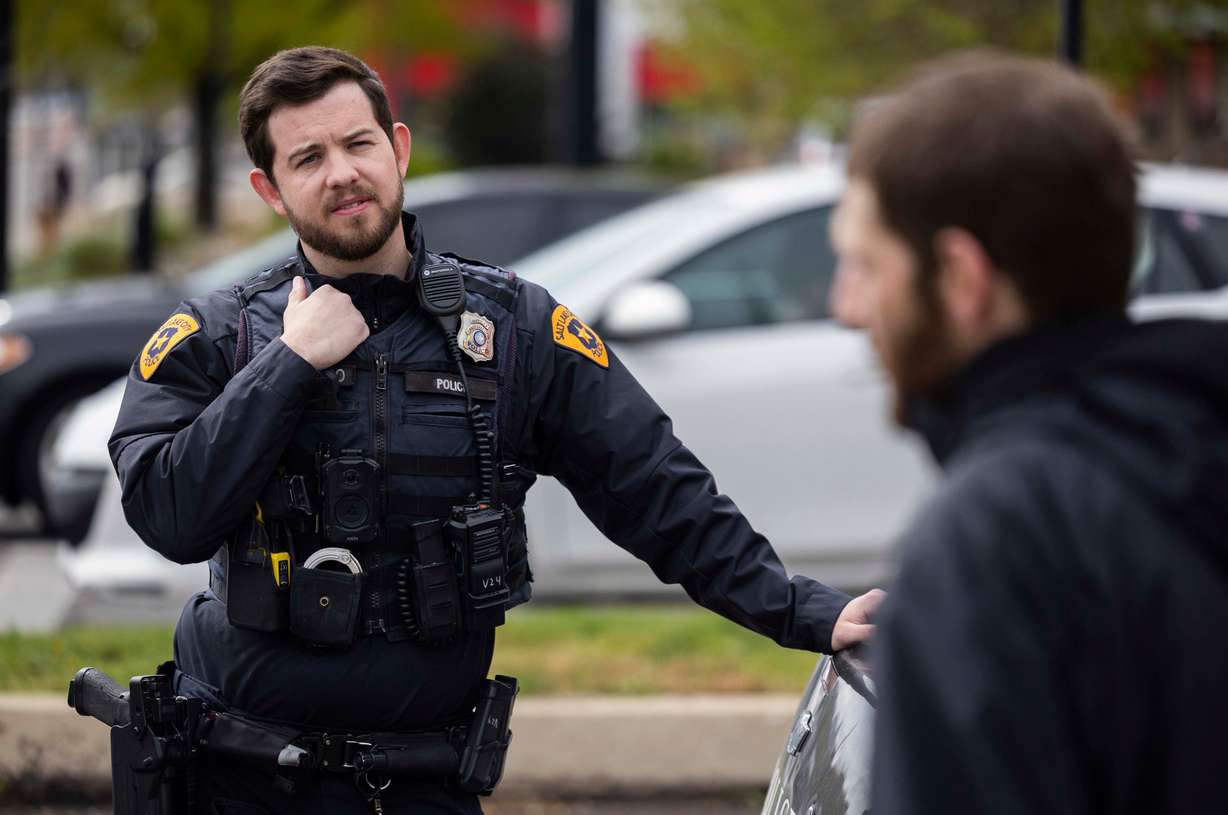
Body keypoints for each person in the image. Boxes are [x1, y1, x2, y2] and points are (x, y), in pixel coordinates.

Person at [108, 46, 882, 814]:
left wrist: (803, 609)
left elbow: (656, 490)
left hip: (416, 785)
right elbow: (169, 513)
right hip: (234, 780)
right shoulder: (217, 336)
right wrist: (288, 363)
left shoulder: (515, 330)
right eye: (307, 157)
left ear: (398, 147)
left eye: (358, 143)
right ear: (270, 190)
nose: (341, 171)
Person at [828, 51, 1228, 813]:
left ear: (960, 277)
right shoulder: (1186, 454)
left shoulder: (994, 541)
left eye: (865, 264)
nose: (847, 306)